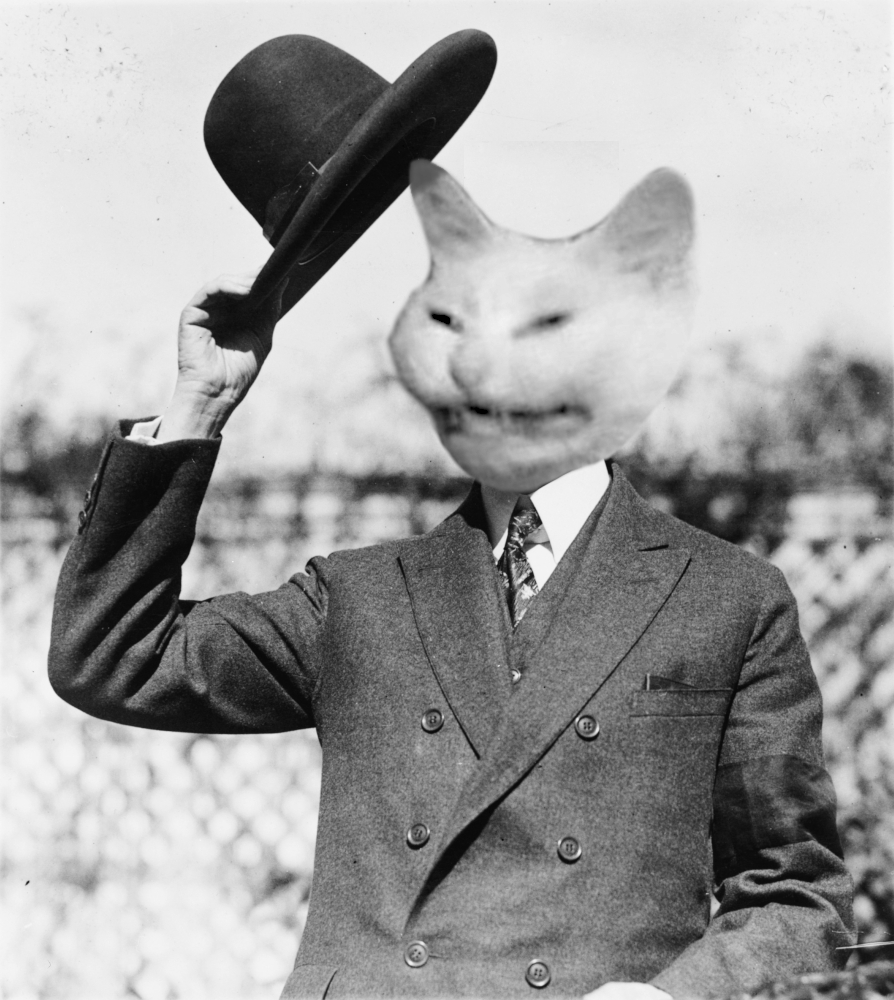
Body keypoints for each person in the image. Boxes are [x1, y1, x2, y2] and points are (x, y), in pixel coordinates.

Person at [49, 253, 854, 999]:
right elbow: (113, 656)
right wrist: (200, 403)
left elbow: (796, 897)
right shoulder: (359, 598)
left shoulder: (728, 598)